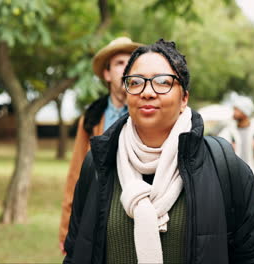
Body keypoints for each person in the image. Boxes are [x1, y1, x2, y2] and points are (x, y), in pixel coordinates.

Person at [63, 39, 254, 264]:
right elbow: (76, 251)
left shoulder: (224, 165)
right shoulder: (99, 163)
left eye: (163, 82)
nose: (147, 92)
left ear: (184, 98)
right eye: (135, 82)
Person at [59, 36, 143, 253]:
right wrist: (66, 229)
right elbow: (76, 173)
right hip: (97, 213)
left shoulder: (148, 112)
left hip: (139, 212)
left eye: (131, 63)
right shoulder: (91, 118)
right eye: (119, 63)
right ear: (107, 74)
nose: (126, 68)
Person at [218, 95, 254, 191]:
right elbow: (217, 148)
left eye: (237, 110)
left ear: (245, 112)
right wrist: (226, 149)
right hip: (233, 180)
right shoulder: (228, 130)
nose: (234, 112)